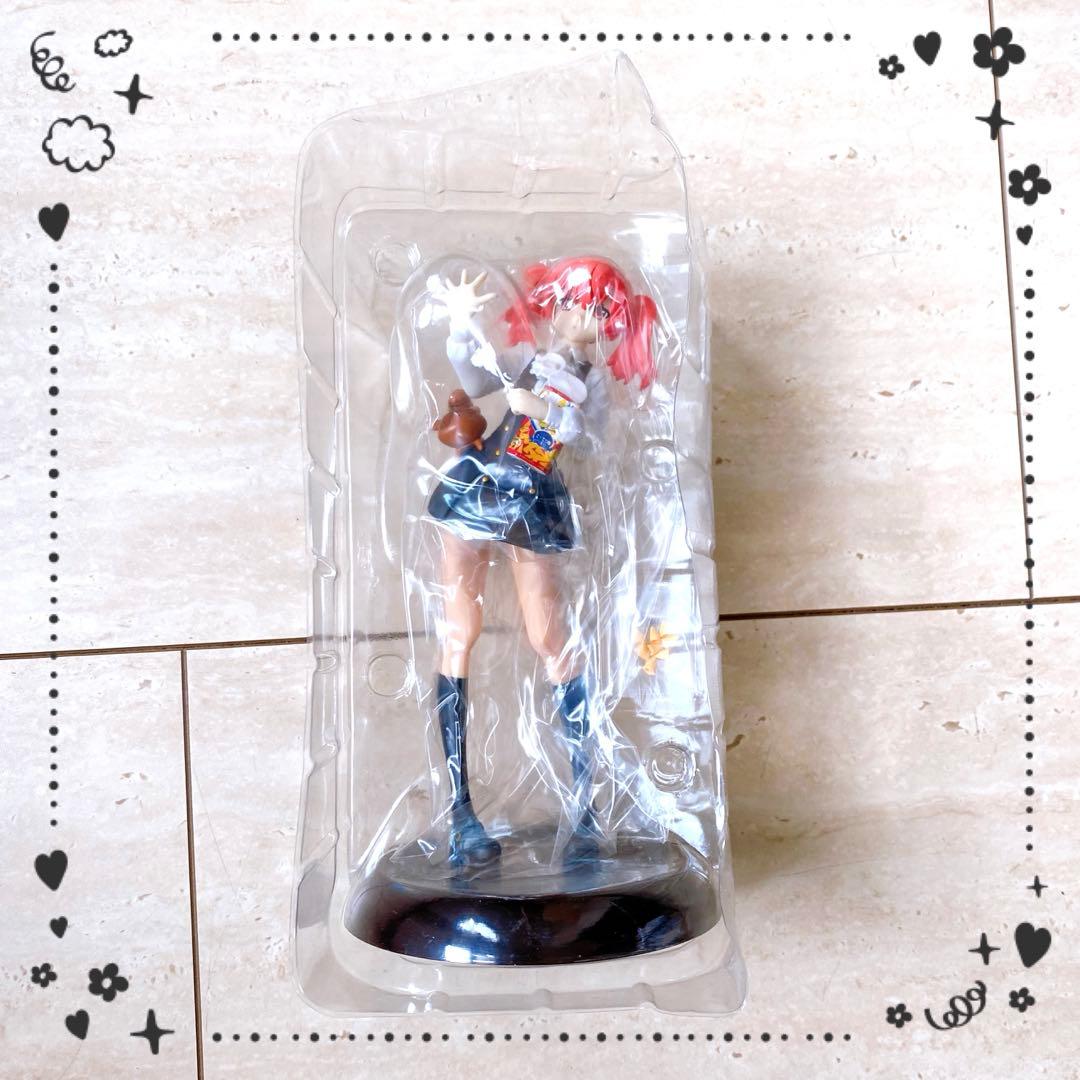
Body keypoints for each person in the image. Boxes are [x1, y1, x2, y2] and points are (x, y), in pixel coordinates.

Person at [426, 256, 657, 867]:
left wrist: (550, 411)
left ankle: (584, 804)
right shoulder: (526, 357)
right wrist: (460, 324)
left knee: (551, 637)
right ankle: (460, 811)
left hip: (535, 496)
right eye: (575, 301)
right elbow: (475, 373)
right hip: (480, 485)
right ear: (554, 302)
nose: (583, 316)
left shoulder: (592, 381)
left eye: (599, 309)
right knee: (458, 631)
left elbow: (591, 437)